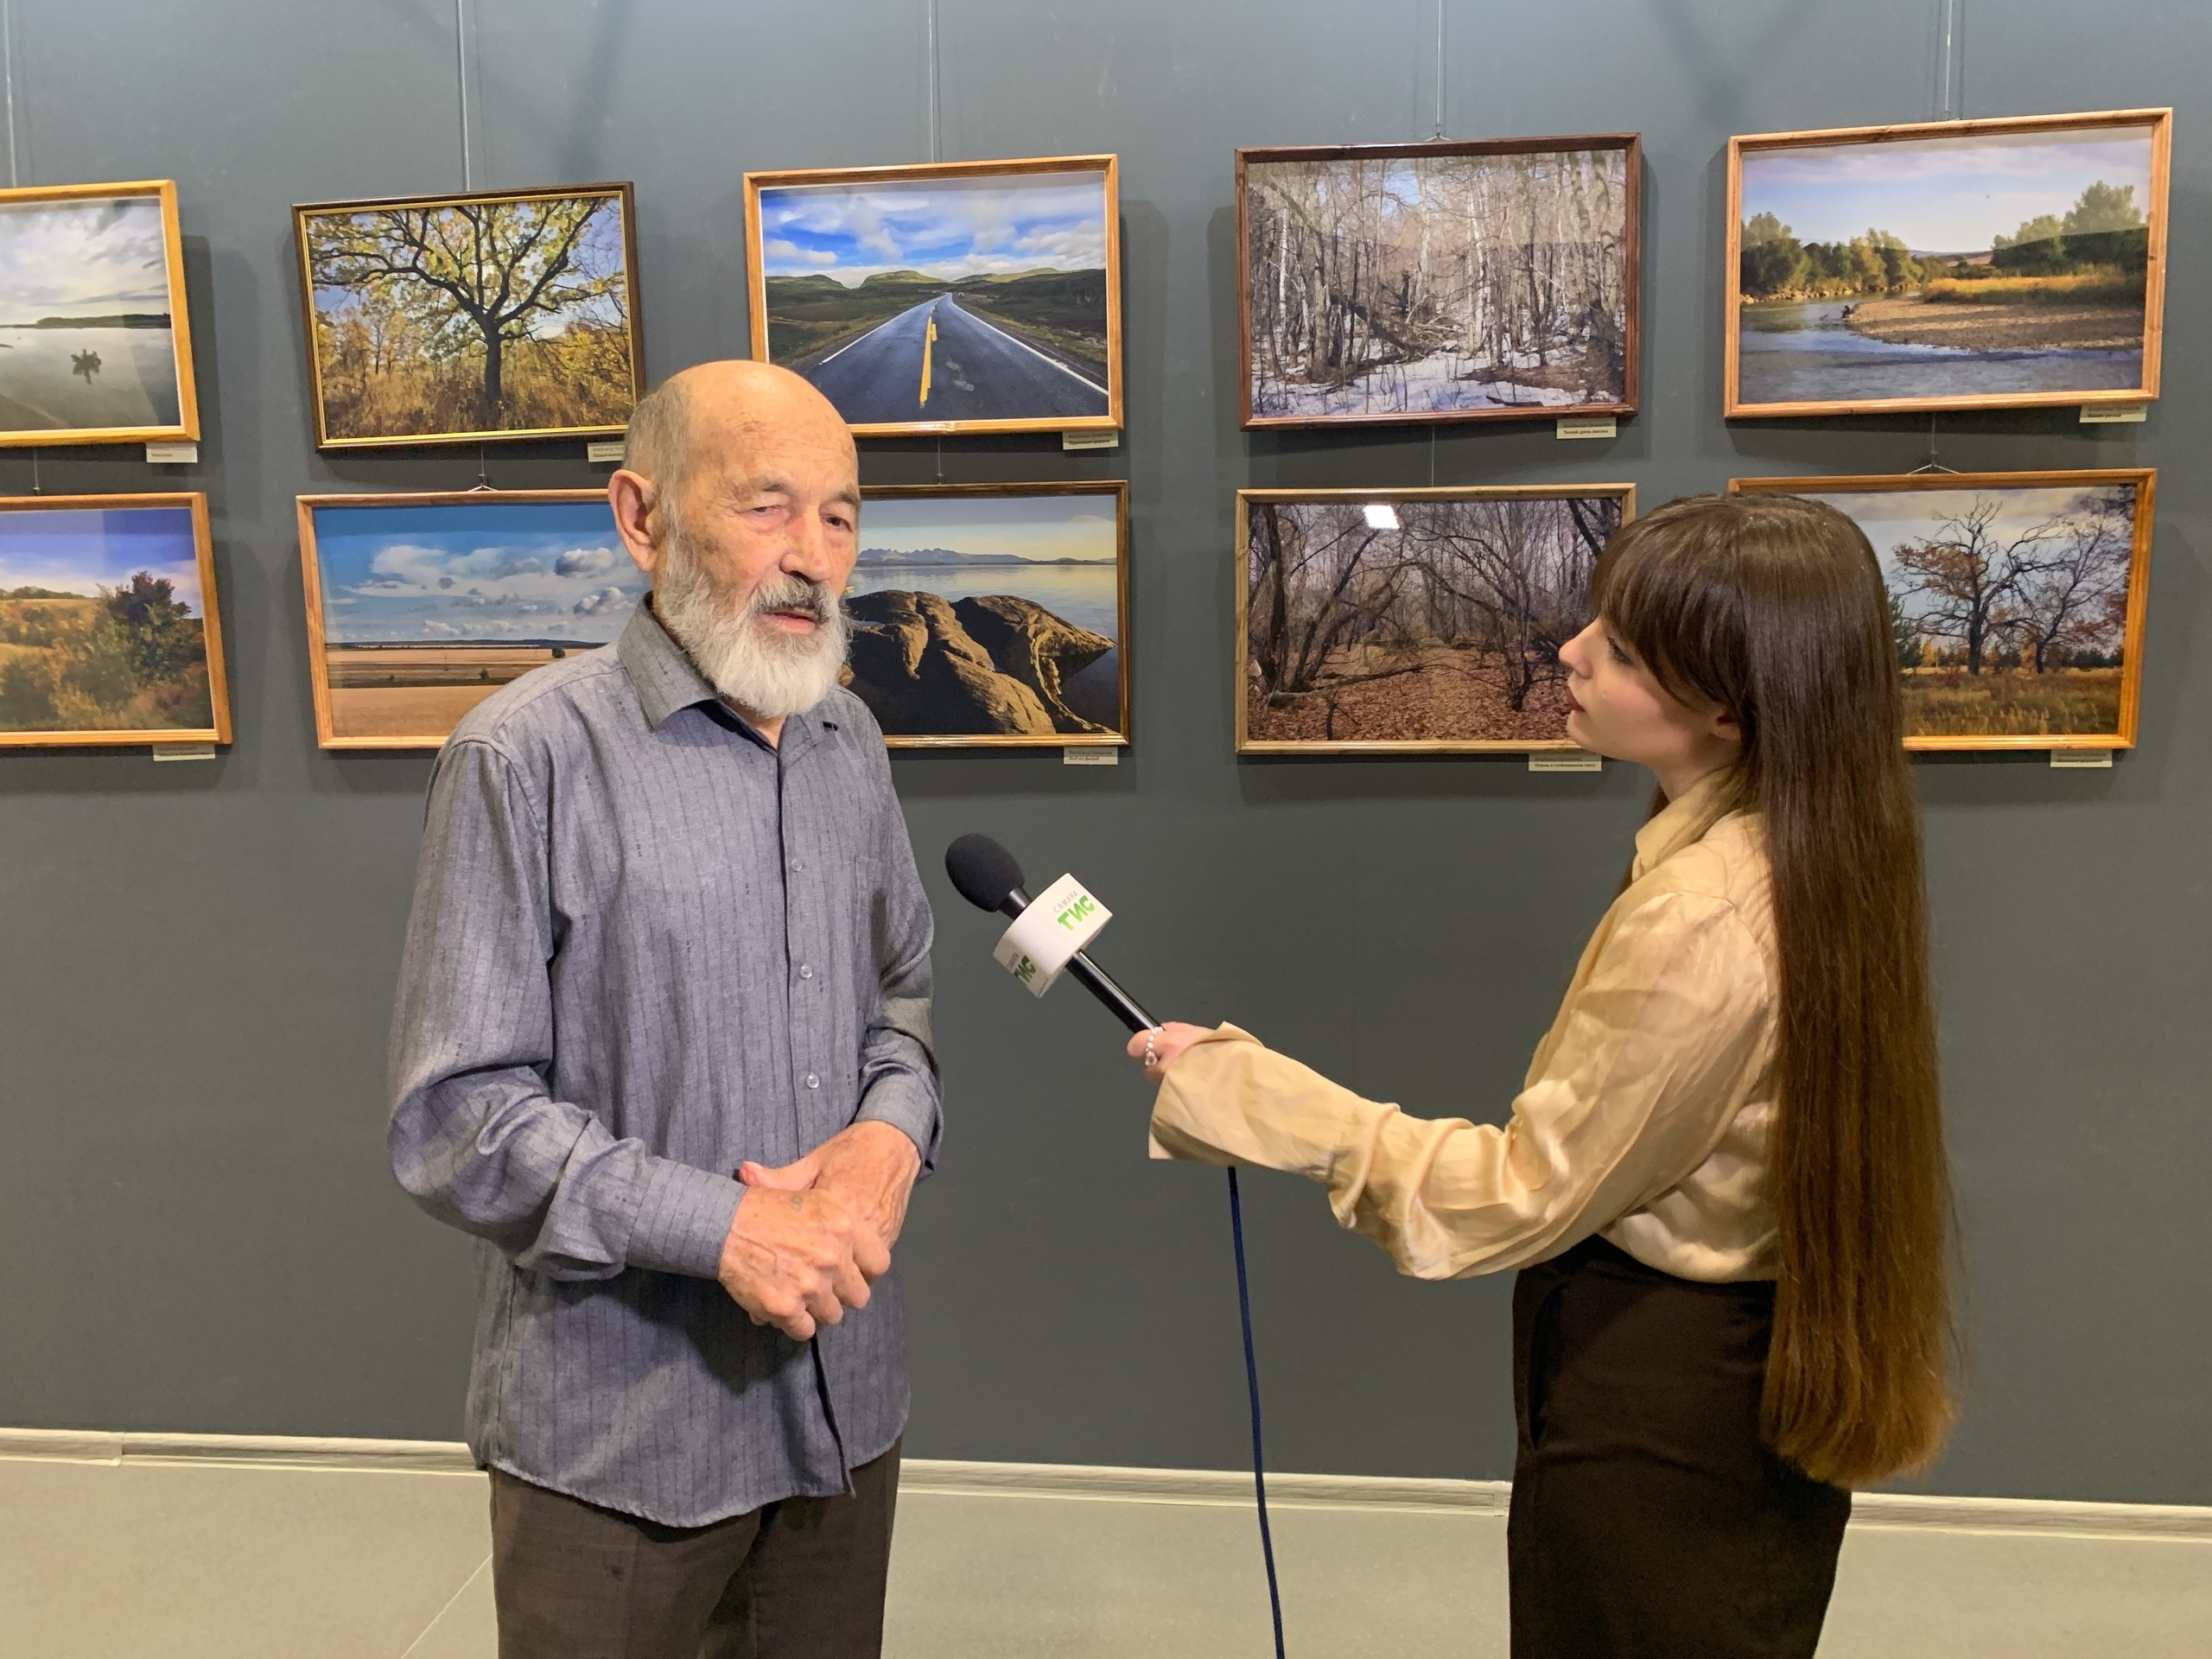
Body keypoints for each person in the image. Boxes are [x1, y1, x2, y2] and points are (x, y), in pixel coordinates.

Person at [1129, 493, 1955, 1658]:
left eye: (1622, 649)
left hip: (1662, 1400)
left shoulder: (1706, 911)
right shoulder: (1806, 848)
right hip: (1728, 1372)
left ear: (1727, 705)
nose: (1570, 650)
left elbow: (1525, 1190)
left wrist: (1256, 1096)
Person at [389, 360, 939, 1657]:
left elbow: (902, 992)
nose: (812, 557)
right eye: (767, 506)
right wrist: (726, 1228)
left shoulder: (847, 743)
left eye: (841, 516)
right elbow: (456, 1117)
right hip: (623, 1443)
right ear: (643, 518)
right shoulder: (523, 757)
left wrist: (892, 1134)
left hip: (841, 1411)